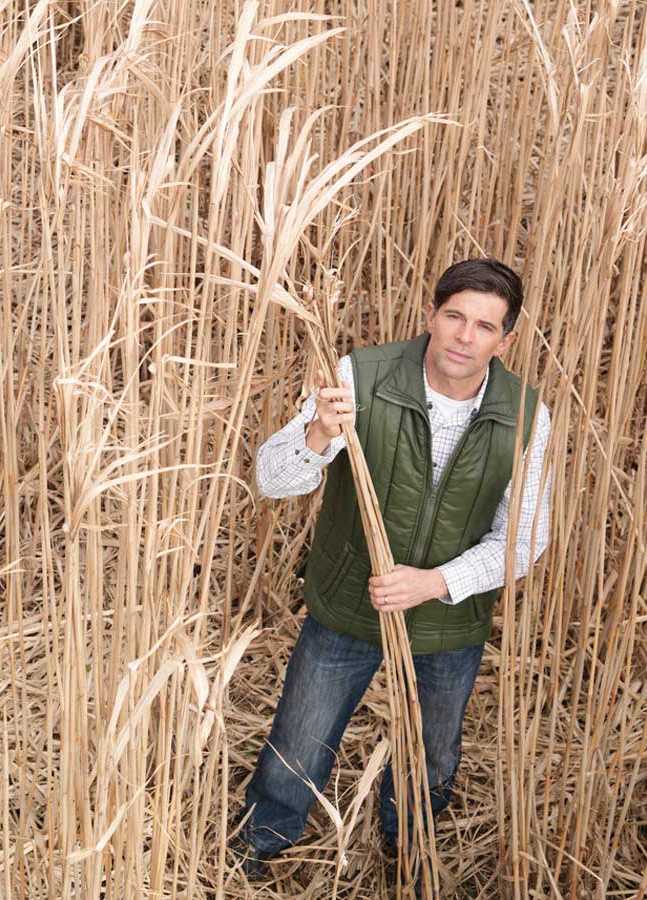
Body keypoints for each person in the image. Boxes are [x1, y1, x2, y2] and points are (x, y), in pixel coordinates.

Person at [229, 258, 554, 882]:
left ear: (505, 340)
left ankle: (408, 851)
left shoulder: (525, 416)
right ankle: (260, 846)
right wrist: (319, 433)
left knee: (431, 757)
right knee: (298, 742)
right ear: (430, 316)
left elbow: (524, 538)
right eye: (454, 316)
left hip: (446, 620)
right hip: (351, 601)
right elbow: (272, 481)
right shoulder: (360, 377)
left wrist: (436, 583)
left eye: (484, 327)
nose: (464, 336)